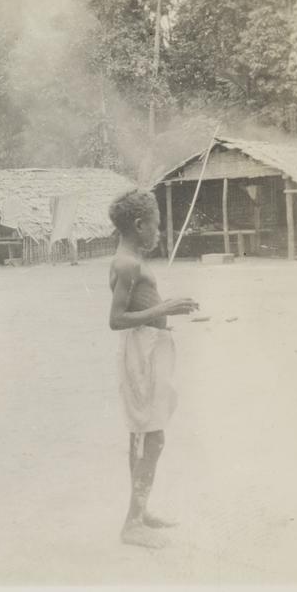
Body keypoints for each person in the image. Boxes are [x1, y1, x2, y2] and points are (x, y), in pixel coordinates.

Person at [107, 190, 198, 549]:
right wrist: (166, 308)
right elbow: (116, 320)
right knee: (149, 436)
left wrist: (166, 309)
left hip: (152, 349)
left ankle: (140, 513)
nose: (159, 232)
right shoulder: (126, 264)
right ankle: (132, 523)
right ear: (140, 224)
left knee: (148, 434)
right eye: (157, 225)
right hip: (141, 351)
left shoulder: (133, 260)